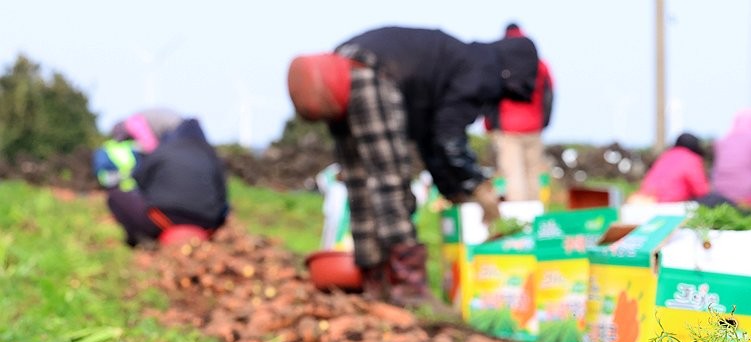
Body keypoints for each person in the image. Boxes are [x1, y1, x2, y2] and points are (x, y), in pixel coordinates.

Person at [286, 27, 539, 305]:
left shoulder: (456, 59)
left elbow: (431, 140)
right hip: (370, 75)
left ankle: (373, 279)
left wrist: (451, 188)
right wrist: (476, 185)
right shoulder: (478, 71)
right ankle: (408, 284)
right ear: (512, 72)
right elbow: (448, 138)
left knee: (359, 181)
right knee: (388, 180)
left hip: (347, 67)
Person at [105, 118, 229, 247]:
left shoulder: (164, 149)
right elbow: (223, 199)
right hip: (205, 225)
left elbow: (139, 180)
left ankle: (141, 240)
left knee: (115, 195)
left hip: (161, 219)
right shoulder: (213, 157)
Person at [485, 22, 554, 202]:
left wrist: (489, 124)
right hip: (534, 126)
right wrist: (544, 122)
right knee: (533, 175)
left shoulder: (498, 62)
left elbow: (489, 94)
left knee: (513, 176)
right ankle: (535, 221)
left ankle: (519, 221)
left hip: (507, 127)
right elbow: (550, 94)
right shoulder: (540, 65)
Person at [631, 132, 709, 202]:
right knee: (714, 199)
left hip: (648, 199)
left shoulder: (665, 156)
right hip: (671, 202)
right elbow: (701, 190)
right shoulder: (691, 158)